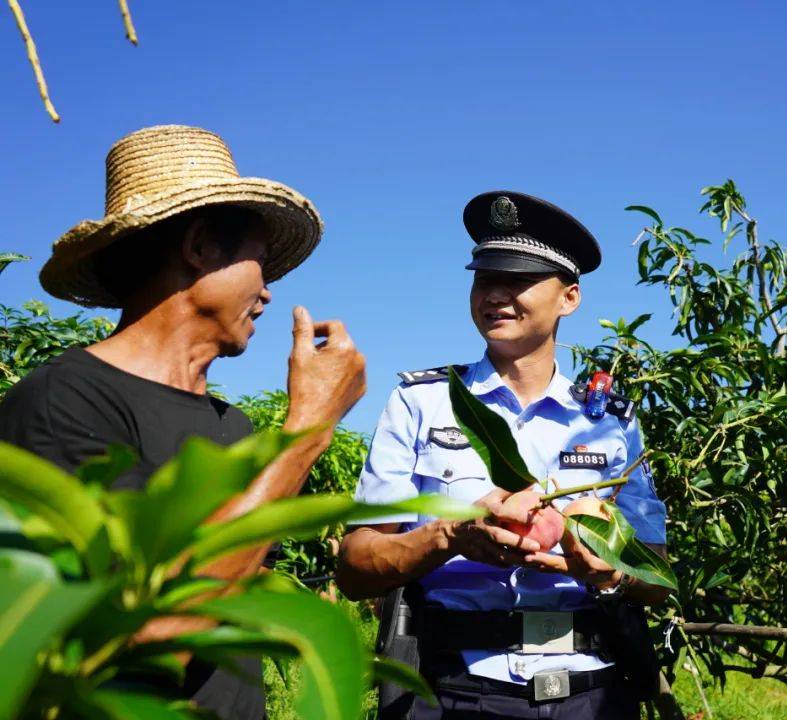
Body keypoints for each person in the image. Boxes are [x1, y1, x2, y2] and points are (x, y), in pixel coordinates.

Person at [0, 125, 367, 719]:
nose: (269, 293)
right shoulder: (63, 402)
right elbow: (154, 630)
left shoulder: (236, 428)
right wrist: (309, 430)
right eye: (259, 263)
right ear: (198, 245)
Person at [337, 191, 669, 719]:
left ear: (570, 298)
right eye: (484, 278)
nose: (496, 294)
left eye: (518, 280)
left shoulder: (610, 421)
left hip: (592, 690)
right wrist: (451, 537)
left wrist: (608, 574)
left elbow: (658, 577)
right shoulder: (423, 402)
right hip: (454, 688)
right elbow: (355, 566)